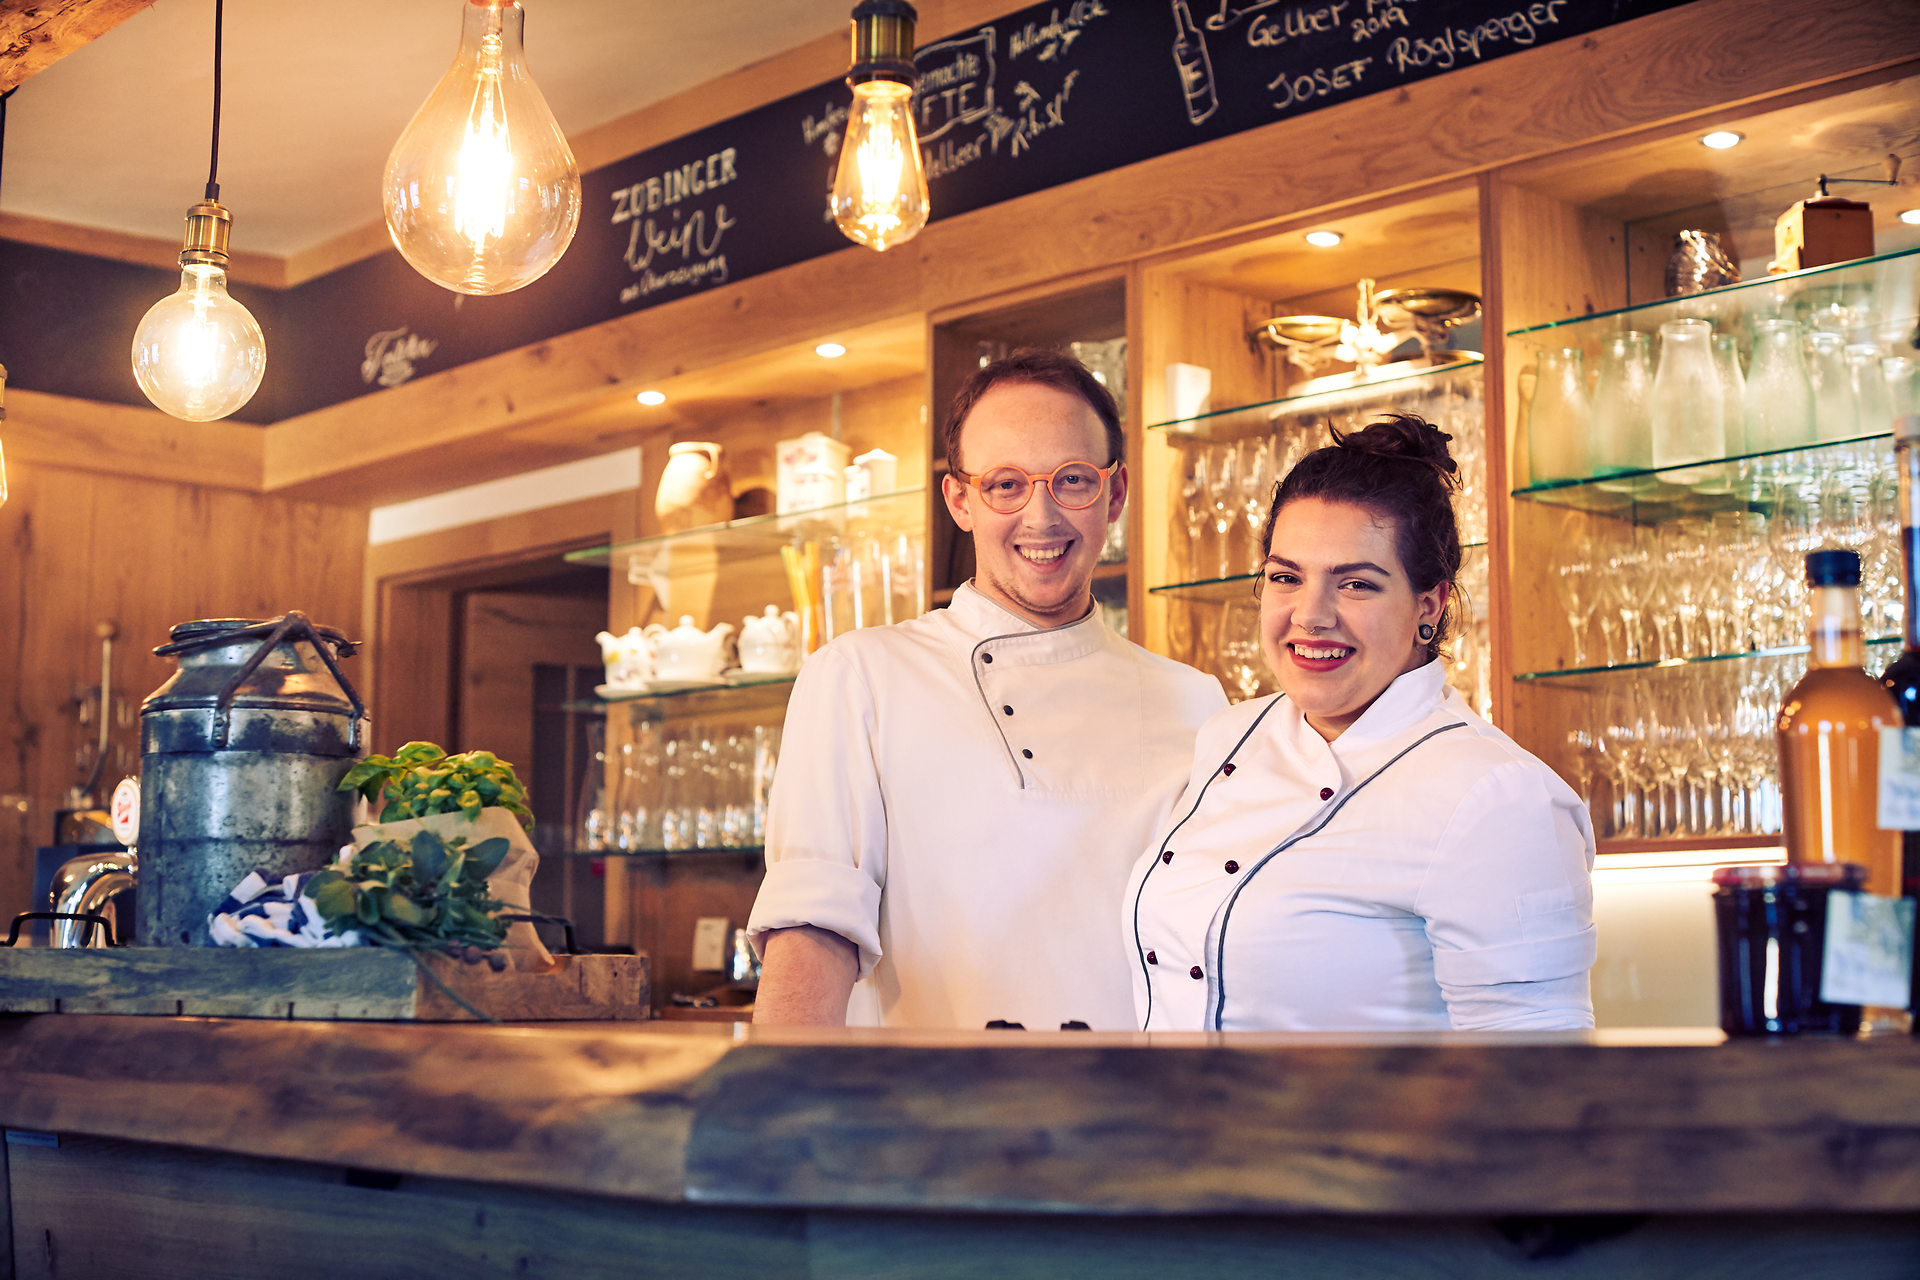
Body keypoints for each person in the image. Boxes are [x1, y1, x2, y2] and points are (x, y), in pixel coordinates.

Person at [748, 349, 1226, 1029]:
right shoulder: (861, 675)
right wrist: (774, 1089)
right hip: (935, 1093)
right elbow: (813, 927)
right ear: (960, 501)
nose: (1041, 516)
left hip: (1137, 1092)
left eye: (1073, 480)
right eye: (1005, 484)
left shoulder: (1197, 702)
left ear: (1116, 493)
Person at [1125, 414, 1595, 1032]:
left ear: (1430, 605)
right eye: (1286, 577)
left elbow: (1534, 1063)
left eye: (1355, 584)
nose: (1311, 615)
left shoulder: (1498, 797)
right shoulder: (1228, 737)